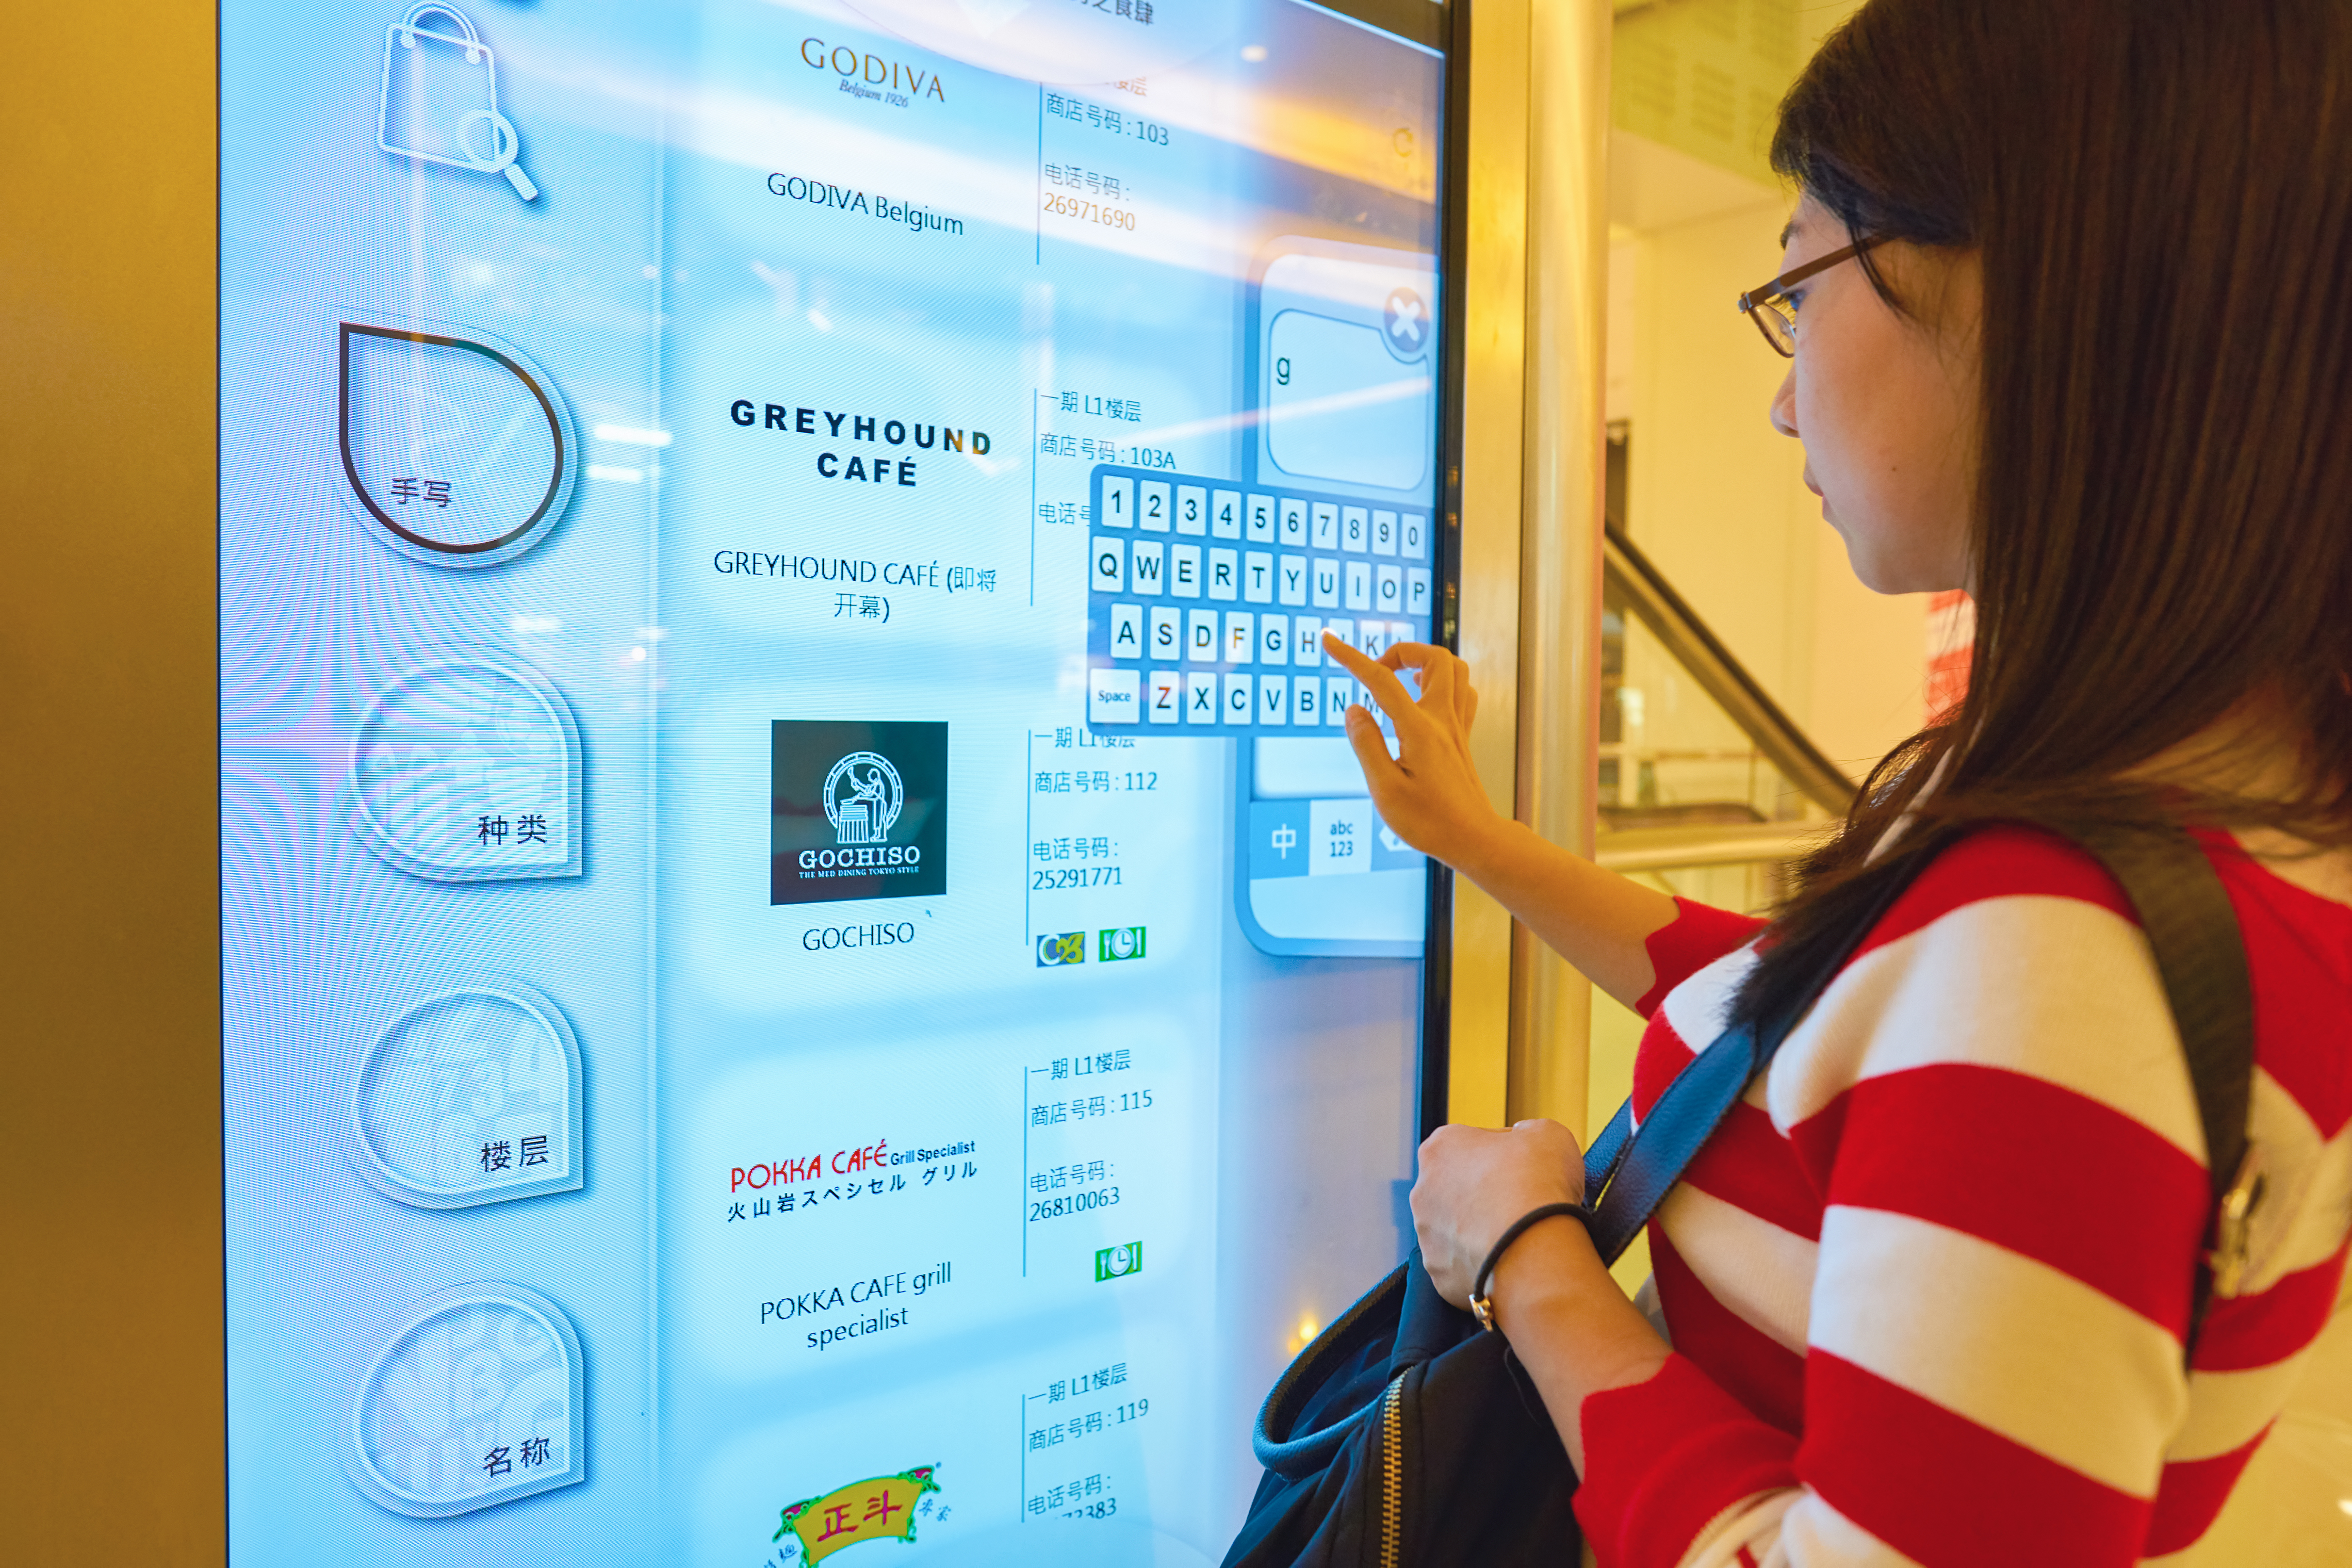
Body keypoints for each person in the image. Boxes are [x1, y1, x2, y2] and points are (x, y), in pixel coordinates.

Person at [1322, 0, 2352, 1561]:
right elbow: (1793, 1015)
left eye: (1800, 281)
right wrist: (1479, 840)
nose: (1785, 392)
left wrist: (1526, 1263)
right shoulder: (2185, 823)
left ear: (2037, 289)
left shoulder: (2068, 945)